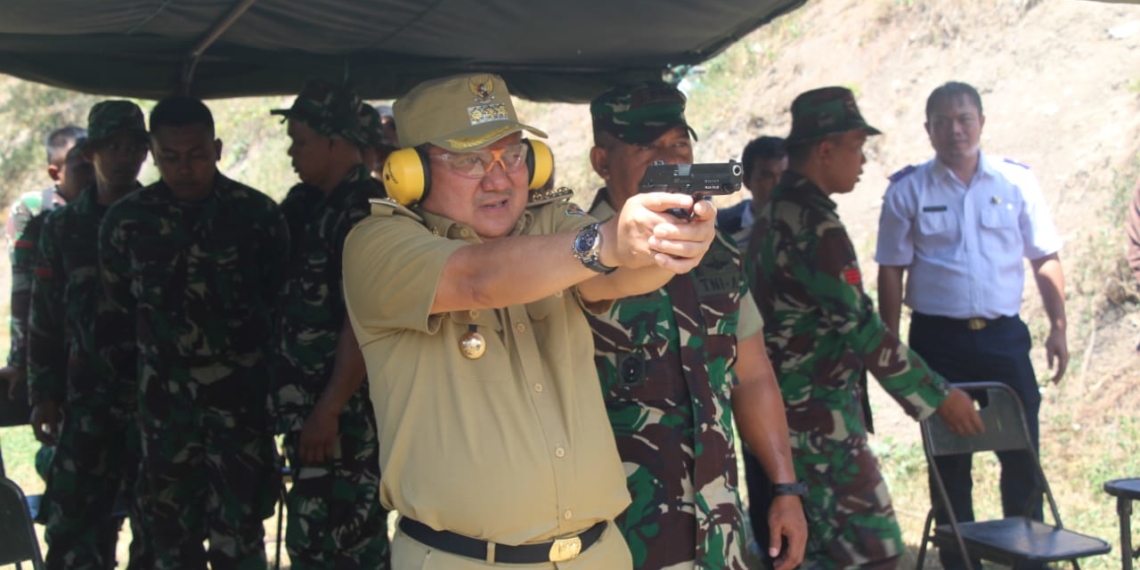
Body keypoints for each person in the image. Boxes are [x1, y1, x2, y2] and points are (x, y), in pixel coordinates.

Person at [340, 72, 718, 569]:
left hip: (597, 554)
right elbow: (476, 279)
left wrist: (665, 240)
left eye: (513, 156)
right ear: (412, 174)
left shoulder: (547, 222)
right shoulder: (377, 244)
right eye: (470, 160)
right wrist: (605, 243)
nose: (499, 178)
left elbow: (615, 276)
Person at [747, 86, 984, 570]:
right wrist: (939, 396)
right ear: (826, 149)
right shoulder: (813, 225)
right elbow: (861, 328)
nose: (862, 160)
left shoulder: (774, 213)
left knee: (812, 557)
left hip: (785, 418)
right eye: (856, 147)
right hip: (819, 426)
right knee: (877, 553)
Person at [584, 82, 806, 570]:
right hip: (615, 539)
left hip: (718, 531)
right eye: (646, 146)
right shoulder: (569, 255)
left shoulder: (717, 253)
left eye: (679, 143)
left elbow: (752, 375)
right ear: (602, 160)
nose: (668, 159)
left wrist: (785, 487)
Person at [875, 81, 1068, 570]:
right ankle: (961, 562)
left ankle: (1028, 561)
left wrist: (1059, 327)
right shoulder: (908, 190)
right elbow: (891, 270)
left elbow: (1045, 257)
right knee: (949, 467)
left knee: (1022, 458)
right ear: (928, 129)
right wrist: (892, 346)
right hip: (938, 342)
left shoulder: (1016, 182)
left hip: (1004, 339)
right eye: (943, 121)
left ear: (981, 121)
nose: (955, 129)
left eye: (964, 118)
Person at [99, 95, 287, 570]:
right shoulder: (126, 223)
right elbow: (118, 314)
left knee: (240, 540)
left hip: (238, 414)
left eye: (197, 155)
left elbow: (278, 306)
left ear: (218, 148)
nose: (184, 169)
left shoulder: (257, 217)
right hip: (164, 415)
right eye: (170, 158)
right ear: (153, 153)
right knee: (168, 542)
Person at [269, 80, 391, 570]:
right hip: (310, 413)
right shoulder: (307, 205)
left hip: (346, 419)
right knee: (309, 541)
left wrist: (330, 407)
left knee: (348, 543)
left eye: (301, 140)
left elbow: (366, 322)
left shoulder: (366, 211)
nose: (291, 151)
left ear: (336, 142)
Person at [27, 101, 151, 570]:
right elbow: (46, 316)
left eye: (133, 147)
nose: (123, 158)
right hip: (86, 401)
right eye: (112, 147)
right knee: (74, 532)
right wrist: (44, 392)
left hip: (155, 403)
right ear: (92, 152)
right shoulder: (62, 227)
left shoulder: (161, 218)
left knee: (161, 536)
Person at [0, 125, 87, 407]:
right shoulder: (34, 209)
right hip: (53, 339)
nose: (92, 176)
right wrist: (20, 357)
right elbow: (24, 287)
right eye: (81, 169)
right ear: (55, 172)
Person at [717, 135, 787, 250]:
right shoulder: (719, 228)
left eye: (785, 176)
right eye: (767, 177)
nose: (778, 185)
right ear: (747, 182)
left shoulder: (812, 222)